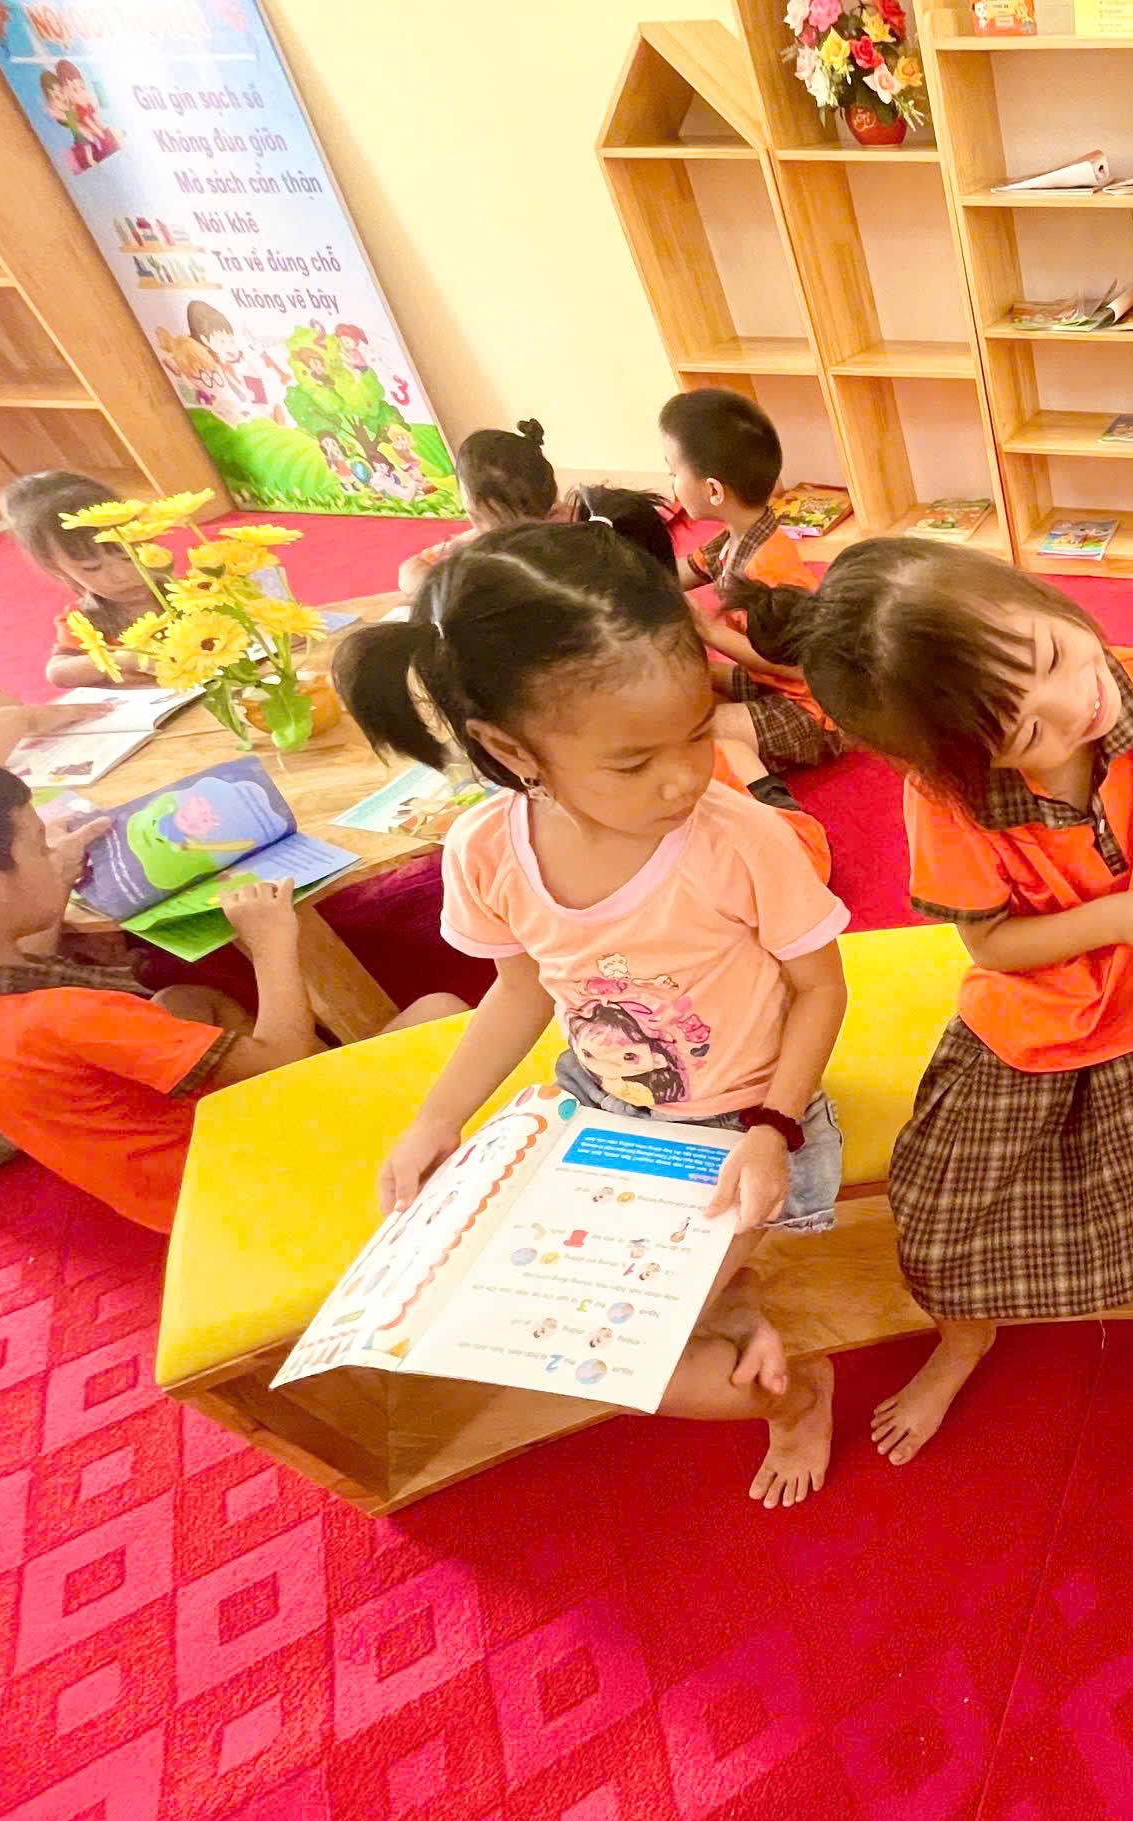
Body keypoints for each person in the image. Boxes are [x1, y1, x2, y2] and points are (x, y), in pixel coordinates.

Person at [335, 521, 850, 1506]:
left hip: (742, 1124)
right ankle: (736, 1310)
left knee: (633, 1355)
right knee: (540, 1318)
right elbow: (520, 990)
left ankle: (797, 1397)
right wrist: (438, 1117)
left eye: (697, 731)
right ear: (507, 748)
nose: (684, 775)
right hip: (604, 1115)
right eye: (632, 761)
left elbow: (821, 987)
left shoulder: (739, 837)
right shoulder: (487, 851)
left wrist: (773, 1128)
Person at [739, 539, 1133, 1464]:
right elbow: (989, 944)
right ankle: (965, 1336)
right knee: (941, 1212)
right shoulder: (945, 795)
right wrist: (1120, 916)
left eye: (1055, 654)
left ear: (1044, 599)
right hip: (1023, 1028)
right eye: (1026, 733)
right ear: (960, 761)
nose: (1076, 703)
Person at [0, 758, 459, 1228]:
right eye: (40, 847)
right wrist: (270, 944)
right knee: (439, 1010)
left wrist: (49, 879)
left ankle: (335, 1076)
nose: (54, 856)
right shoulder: (70, 1014)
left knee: (184, 1003)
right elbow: (278, 1060)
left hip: (175, 1203)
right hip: (267, 1190)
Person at [659, 389, 835, 807]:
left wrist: (706, 629)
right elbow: (681, 572)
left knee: (694, 734)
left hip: (810, 713)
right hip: (767, 686)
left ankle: (778, 808)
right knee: (684, 681)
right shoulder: (733, 539)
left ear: (713, 490)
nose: (670, 483)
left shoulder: (771, 569)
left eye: (672, 471)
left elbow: (797, 666)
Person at [395, 418, 676, 595]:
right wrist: (428, 579)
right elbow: (412, 569)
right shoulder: (495, 534)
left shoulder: (573, 555)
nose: (479, 532)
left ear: (554, 516)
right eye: (474, 518)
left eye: (493, 525)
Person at [0, 472, 162, 690]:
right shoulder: (85, 619)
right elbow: (58, 673)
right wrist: (118, 661)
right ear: (56, 568)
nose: (122, 575)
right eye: (92, 568)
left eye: (129, 557)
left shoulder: (190, 591)